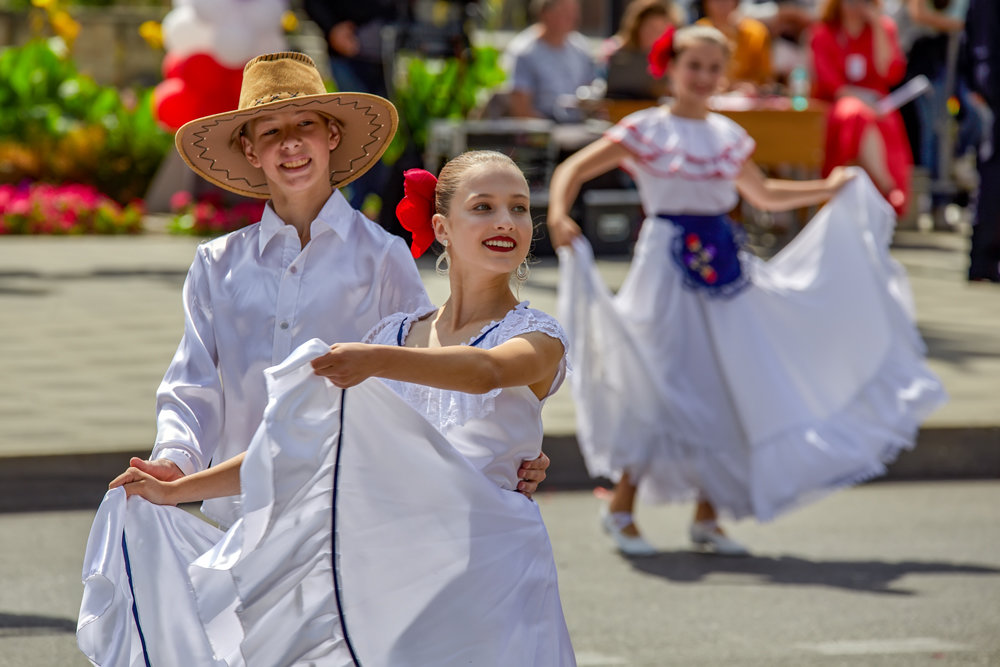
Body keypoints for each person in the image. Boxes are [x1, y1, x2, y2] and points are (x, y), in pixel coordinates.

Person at [79, 150, 576, 665]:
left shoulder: (537, 335)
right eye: (484, 207)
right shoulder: (396, 334)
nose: (506, 222)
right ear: (442, 227)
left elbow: (487, 372)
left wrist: (375, 360)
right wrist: (178, 488)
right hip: (396, 571)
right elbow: (302, 450)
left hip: (490, 564)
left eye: (519, 208)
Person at [547, 25, 945, 556]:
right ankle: (622, 504)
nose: (704, 77)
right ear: (670, 66)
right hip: (665, 265)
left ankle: (708, 515)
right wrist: (557, 212)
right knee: (661, 378)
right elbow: (573, 169)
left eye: (714, 68)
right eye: (695, 66)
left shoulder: (727, 136)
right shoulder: (646, 129)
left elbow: (762, 193)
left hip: (726, 268)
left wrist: (827, 188)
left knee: (728, 380)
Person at [118, 52, 549, 535]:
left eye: (305, 123)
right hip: (236, 513)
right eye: (270, 131)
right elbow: (191, 385)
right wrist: (176, 461)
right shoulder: (217, 264)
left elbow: (425, 386)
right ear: (249, 150)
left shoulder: (383, 256)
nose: (291, 143)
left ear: (332, 136)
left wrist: (500, 446)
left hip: (345, 518)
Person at [809, 0, 912, 216]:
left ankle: (886, 196)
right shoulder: (824, 32)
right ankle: (887, 187)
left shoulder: (883, 28)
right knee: (856, 114)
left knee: (879, 120)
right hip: (838, 106)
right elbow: (830, 83)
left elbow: (890, 72)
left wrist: (878, 27)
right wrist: (861, 101)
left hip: (879, 107)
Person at [502, 0, 598, 121]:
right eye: (565, 11)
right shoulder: (524, 51)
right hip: (543, 130)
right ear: (545, 13)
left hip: (579, 125)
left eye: (574, 11)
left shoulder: (581, 47)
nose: (572, 17)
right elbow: (521, 110)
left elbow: (592, 89)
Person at [961, 0, 1000, 282]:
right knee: (993, 171)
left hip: (988, 74)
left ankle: (983, 258)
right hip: (992, 76)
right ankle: (984, 258)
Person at [599, 0, 679, 99]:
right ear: (637, 28)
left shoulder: (676, 59)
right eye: (651, 28)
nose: (655, 36)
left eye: (661, 31)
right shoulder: (615, 53)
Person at [696, 0, 776, 91]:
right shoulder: (699, 32)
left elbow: (766, 80)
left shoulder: (756, 33)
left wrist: (752, 87)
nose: (721, 5)